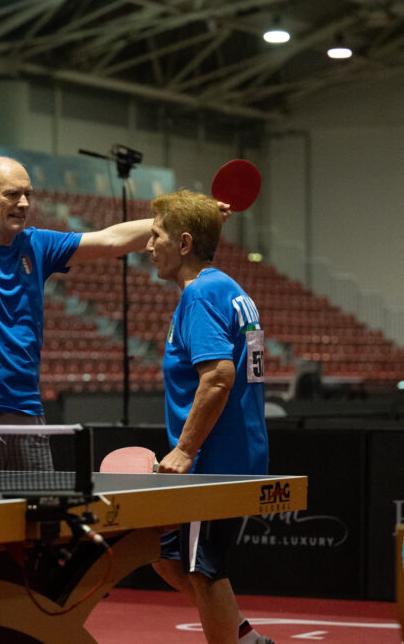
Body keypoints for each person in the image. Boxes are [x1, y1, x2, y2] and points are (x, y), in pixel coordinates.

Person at [0, 154, 230, 471]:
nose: (23, 202)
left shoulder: (38, 245)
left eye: (27, 194)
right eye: (12, 194)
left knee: (40, 526)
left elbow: (110, 239)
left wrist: (189, 220)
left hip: (26, 412)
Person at [145, 190, 271, 644]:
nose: (147, 244)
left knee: (202, 571)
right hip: (240, 453)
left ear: (182, 244)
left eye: (155, 235)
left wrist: (184, 449)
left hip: (212, 463)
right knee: (164, 554)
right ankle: (244, 637)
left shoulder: (199, 295)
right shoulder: (231, 290)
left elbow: (218, 376)